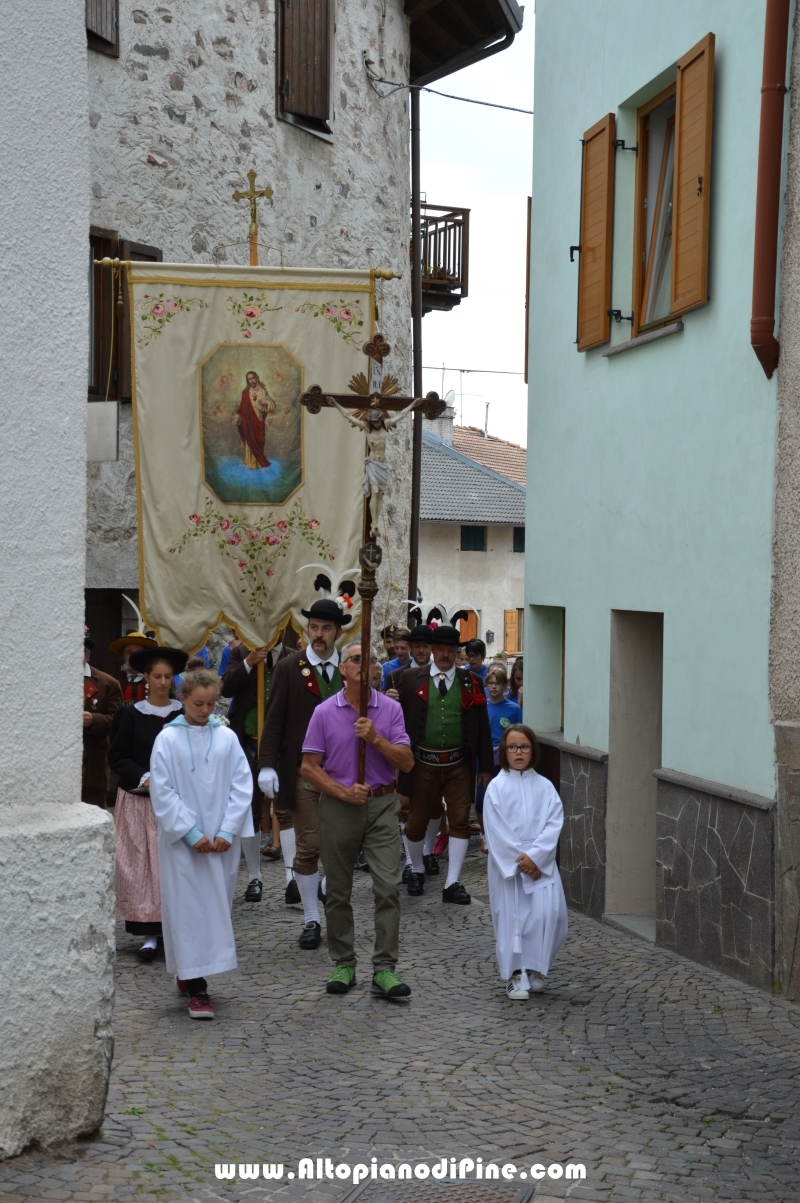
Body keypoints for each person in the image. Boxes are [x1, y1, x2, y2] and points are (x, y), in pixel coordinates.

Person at [300, 642, 414, 998]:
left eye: (369, 660)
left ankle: (384, 968)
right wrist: (342, 793)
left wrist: (376, 738)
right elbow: (308, 768)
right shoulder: (323, 712)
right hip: (339, 805)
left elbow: (407, 762)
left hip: (381, 805)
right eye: (355, 659)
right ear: (343, 670)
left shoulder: (390, 709)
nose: (363, 665)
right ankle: (344, 961)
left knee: (388, 886)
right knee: (337, 889)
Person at [149, 668, 253, 1020]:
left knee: (215, 906)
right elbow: (163, 791)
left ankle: (190, 970)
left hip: (221, 843)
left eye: (211, 703)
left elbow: (242, 784)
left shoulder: (226, 737)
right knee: (188, 909)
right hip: (184, 843)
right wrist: (191, 833)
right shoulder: (167, 740)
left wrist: (227, 830)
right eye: (198, 704)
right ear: (183, 698)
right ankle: (198, 987)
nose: (206, 710)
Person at [257, 599, 349, 948]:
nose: (319, 635)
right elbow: (275, 719)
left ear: (338, 632)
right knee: (309, 845)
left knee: (339, 845)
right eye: (314, 628)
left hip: (343, 773)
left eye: (326, 629)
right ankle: (312, 919)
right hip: (302, 771)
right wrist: (267, 763)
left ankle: (327, 890)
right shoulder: (289, 668)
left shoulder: (349, 667)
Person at [395, 625, 493, 903]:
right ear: (433, 650)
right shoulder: (411, 678)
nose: (445, 655)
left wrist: (485, 766)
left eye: (451, 650)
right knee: (414, 823)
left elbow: (483, 727)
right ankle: (415, 868)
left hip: (459, 764)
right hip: (421, 763)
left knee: (460, 821)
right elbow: (397, 721)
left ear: (457, 652)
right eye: (441, 650)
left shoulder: (470, 680)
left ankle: (452, 882)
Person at [108, 647, 188, 961]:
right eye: (157, 676)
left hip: (175, 800)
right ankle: (148, 934)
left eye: (168, 676)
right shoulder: (130, 713)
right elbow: (117, 756)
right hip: (139, 801)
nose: (163, 682)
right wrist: (144, 777)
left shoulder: (182, 715)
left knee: (170, 864)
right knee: (142, 865)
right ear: (146, 677)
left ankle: (173, 928)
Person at [483, 725, 567, 1000]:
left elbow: (554, 822)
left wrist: (537, 858)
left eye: (524, 747)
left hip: (540, 863)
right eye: (512, 747)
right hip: (508, 864)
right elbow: (496, 828)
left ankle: (536, 969)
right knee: (512, 919)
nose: (518, 752)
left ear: (533, 750)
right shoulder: (496, 787)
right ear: (504, 751)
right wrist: (522, 860)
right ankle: (515, 975)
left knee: (549, 916)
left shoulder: (544, 786)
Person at [221, 639, 289, 901]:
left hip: (283, 744)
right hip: (247, 742)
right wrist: (250, 661)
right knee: (248, 806)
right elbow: (226, 688)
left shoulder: (293, 656)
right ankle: (254, 877)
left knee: (287, 806)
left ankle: (292, 877)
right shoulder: (239, 652)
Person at [383, 625, 438, 881]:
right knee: (405, 804)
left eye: (426, 646)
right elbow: (384, 712)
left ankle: (427, 851)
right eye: (417, 646)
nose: (421, 651)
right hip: (405, 748)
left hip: (435, 748)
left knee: (434, 803)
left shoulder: (443, 673)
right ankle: (410, 860)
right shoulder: (396, 675)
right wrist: (389, 699)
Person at [83, 633, 123, 808]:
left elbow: (118, 722)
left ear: (87, 654)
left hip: (93, 766)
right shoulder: (51, 682)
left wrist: (93, 720)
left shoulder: (108, 683)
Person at [232, 370, 275, 469]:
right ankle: (250, 461)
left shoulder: (263, 391)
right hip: (248, 421)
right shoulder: (245, 392)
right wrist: (238, 416)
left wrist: (265, 403)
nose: (251, 381)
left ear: (256, 378)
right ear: (247, 381)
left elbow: (272, 405)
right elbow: (242, 408)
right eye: (249, 379)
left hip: (259, 420)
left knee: (259, 441)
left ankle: (258, 462)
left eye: (253, 378)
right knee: (249, 440)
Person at [108, 630, 159, 703]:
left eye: (138, 653)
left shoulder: (157, 679)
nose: (133, 657)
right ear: (123, 656)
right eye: (129, 653)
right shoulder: (113, 680)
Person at [486, 666, 522, 759]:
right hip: (486, 753)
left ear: (505, 685)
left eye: (498, 683)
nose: (493, 687)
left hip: (506, 753)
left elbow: (518, 733)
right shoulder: (482, 707)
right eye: (490, 683)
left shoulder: (514, 709)